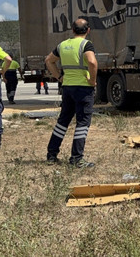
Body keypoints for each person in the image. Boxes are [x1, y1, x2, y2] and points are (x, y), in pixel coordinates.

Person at [44, 18, 98, 168]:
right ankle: (76, 158)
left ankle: (51, 154)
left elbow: (49, 60)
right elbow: (92, 62)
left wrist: (59, 77)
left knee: (63, 121)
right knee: (82, 123)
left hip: (67, 87)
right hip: (83, 88)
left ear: (72, 30)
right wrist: (92, 81)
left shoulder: (62, 45)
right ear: (88, 30)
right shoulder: (86, 44)